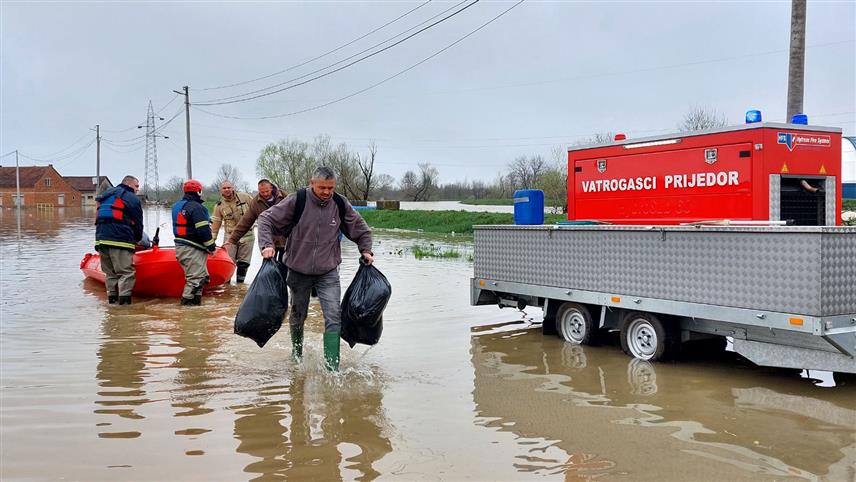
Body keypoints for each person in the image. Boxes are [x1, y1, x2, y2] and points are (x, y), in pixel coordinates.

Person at [257, 166, 374, 371]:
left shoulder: (339, 203)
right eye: (322, 188)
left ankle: (332, 369)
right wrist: (267, 245)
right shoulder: (297, 200)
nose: (327, 192)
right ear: (312, 184)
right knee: (298, 315)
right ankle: (296, 355)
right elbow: (266, 219)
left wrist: (366, 250)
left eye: (331, 188)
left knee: (334, 315)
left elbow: (361, 229)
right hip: (298, 271)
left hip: (328, 271)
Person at [95, 175, 144, 305]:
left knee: (110, 274)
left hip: (101, 240)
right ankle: (124, 307)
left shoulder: (105, 195)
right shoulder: (131, 198)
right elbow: (138, 222)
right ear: (128, 184)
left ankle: (112, 303)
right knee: (126, 273)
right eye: (136, 186)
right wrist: (137, 239)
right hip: (120, 239)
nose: (137, 189)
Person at [172, 179, 215, 306]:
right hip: (192, 248)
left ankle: (196, 309)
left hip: (182, 247)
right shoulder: (197, 207)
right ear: (199, 191)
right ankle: (187, 310)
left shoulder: (177, 206)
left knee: (200, 279)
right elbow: (203, 230)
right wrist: (211, 246)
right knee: (195, 280)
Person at [224, 179, 286, 261]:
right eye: (262, 192)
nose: (265, 194)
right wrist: (232, 240)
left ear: (271, 187)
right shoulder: (256, 203)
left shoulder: (284, 196)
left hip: (286, 239)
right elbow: (245, 222)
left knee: (286, 264)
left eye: (267, 191)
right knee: (269, 265)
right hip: (268, 241)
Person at [211, 181, 254, 283]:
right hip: (230, 237)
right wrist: (211, 243)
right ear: (221, 190)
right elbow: (215, 226)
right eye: (224, 188)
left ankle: (240, 286)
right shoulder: (219, 206)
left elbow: (257, 210)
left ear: (233, 188)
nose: (227, 190)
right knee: (228, 262)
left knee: (244, 263)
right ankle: (227, 285)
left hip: (247, 235)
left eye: (229, 187)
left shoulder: (245, 197)